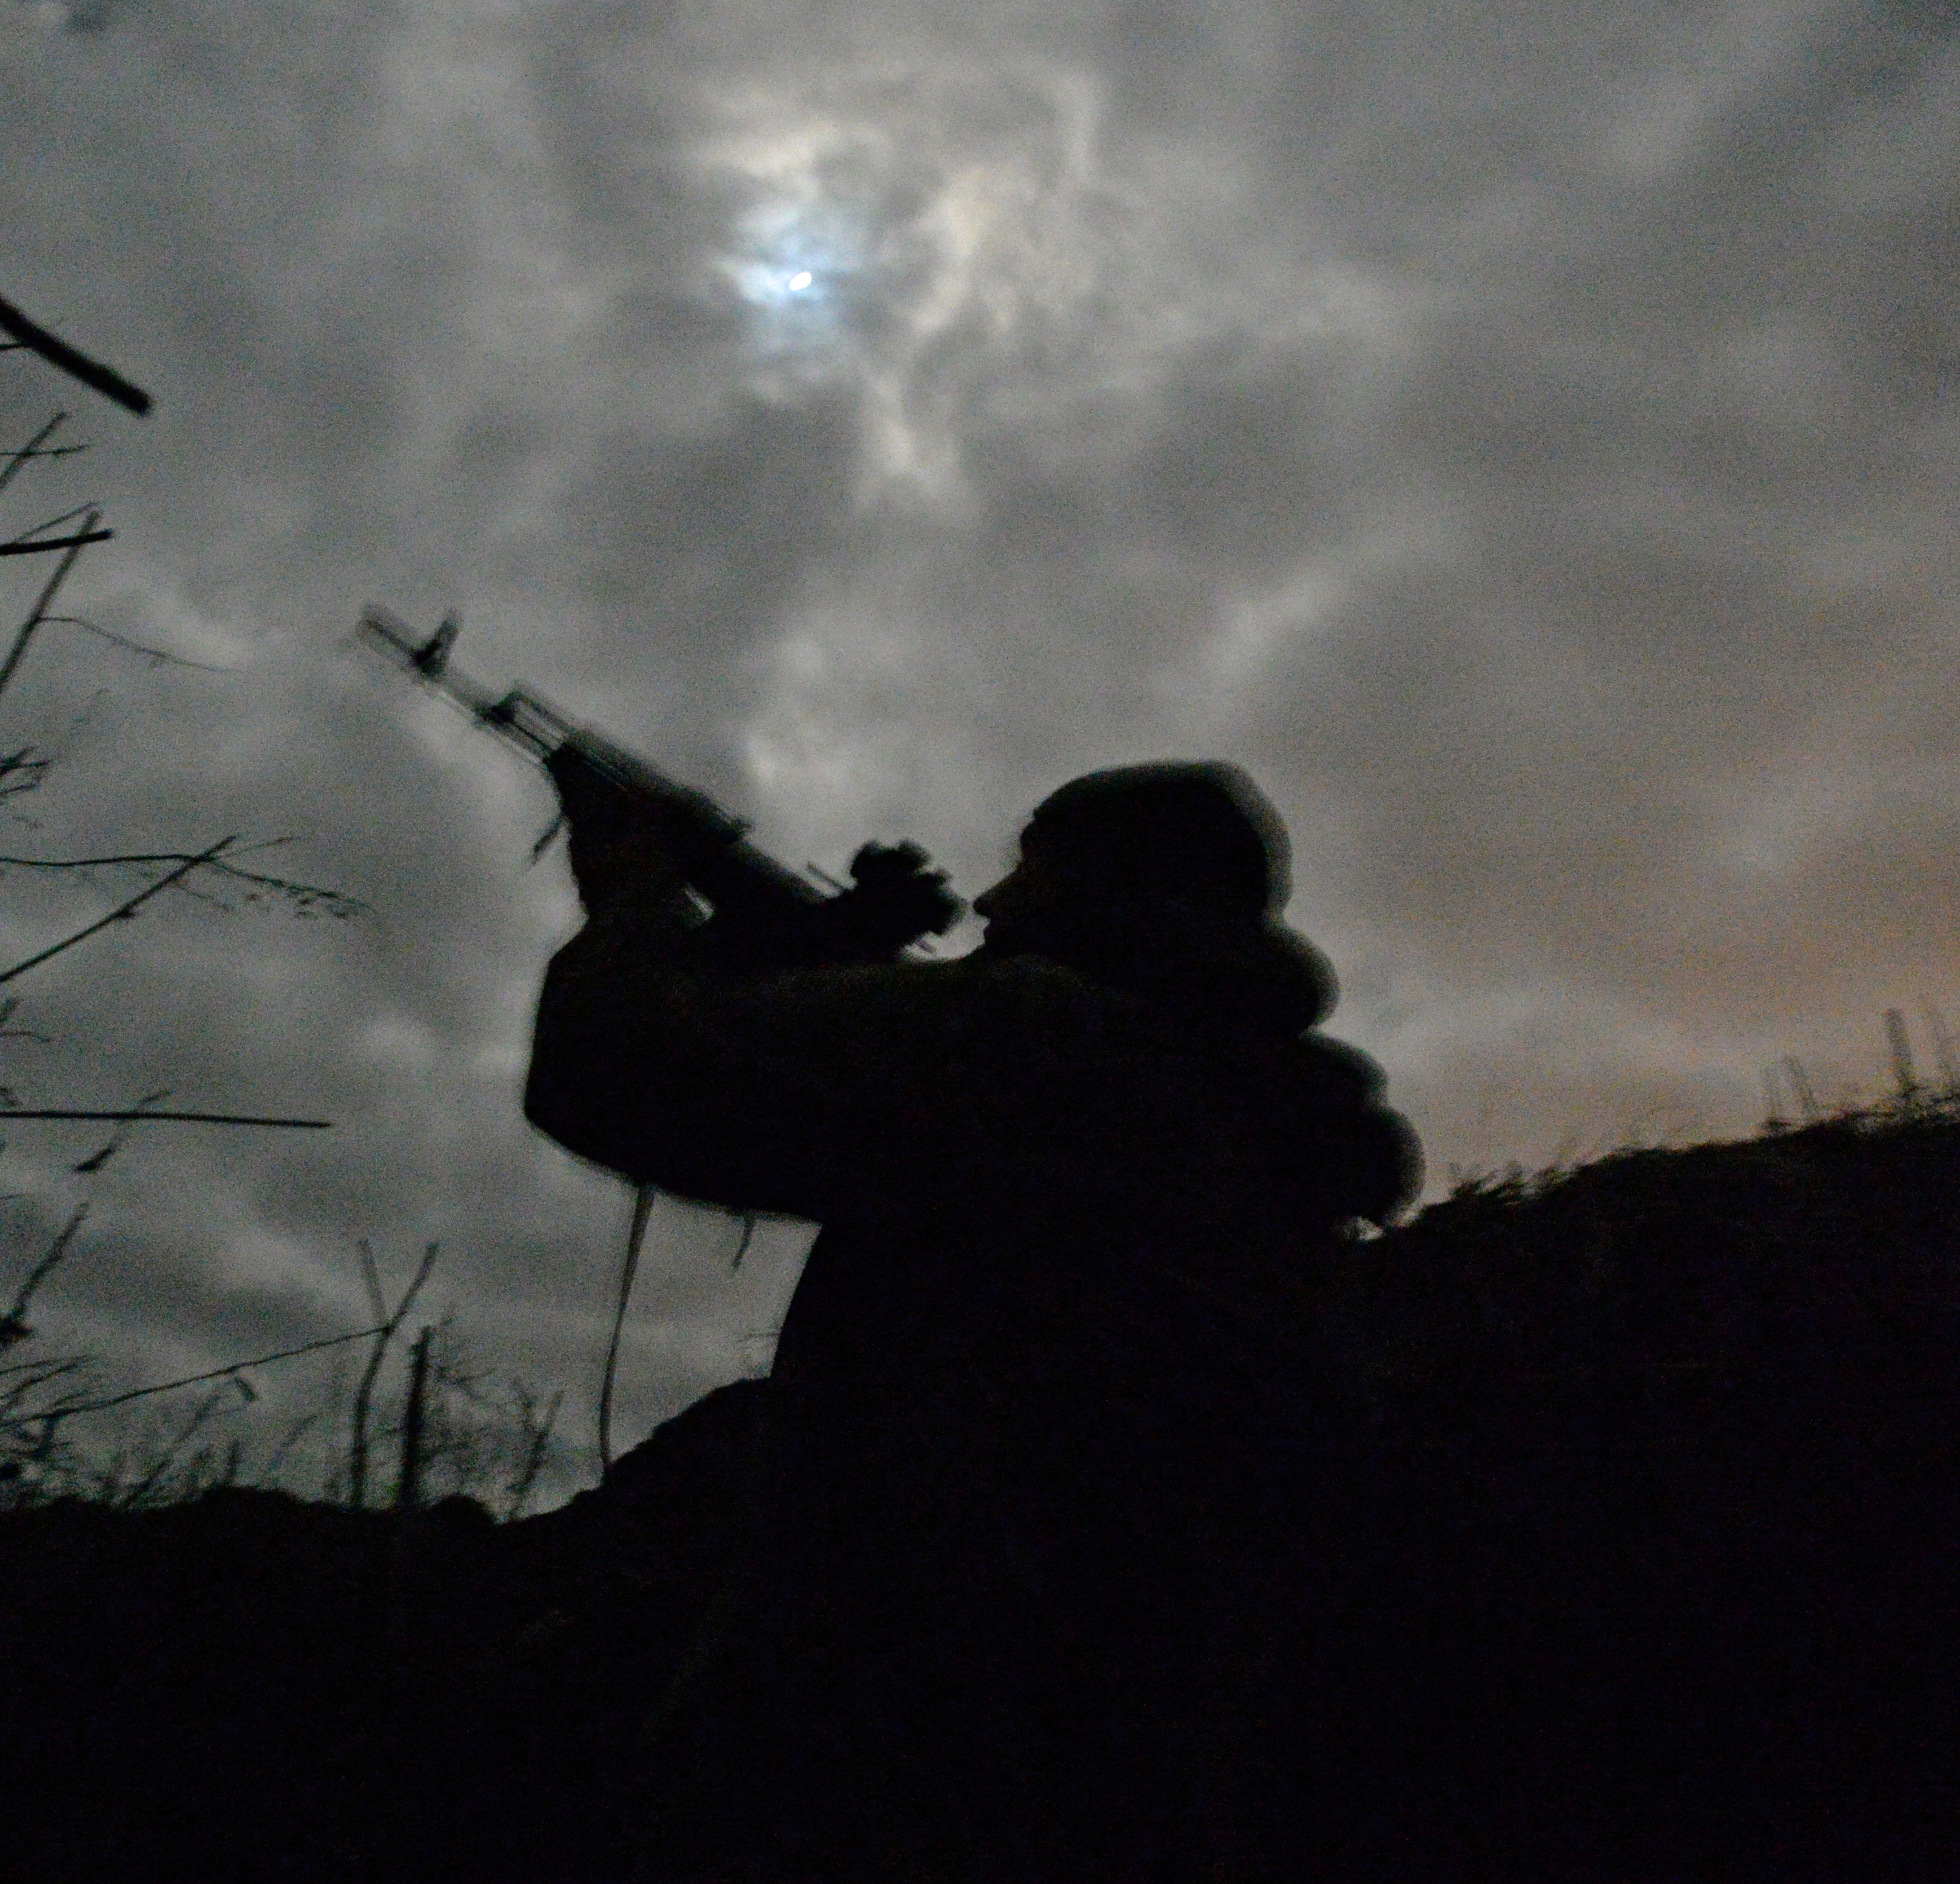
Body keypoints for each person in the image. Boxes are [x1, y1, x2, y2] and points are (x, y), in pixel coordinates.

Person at [524, 757, 1420, 1881]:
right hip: (1148, 1765)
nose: (988, 904)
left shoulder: (1042, 1040)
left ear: (1120, 891)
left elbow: (616, 1064)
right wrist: (830, 936)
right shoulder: (1251, 1116)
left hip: (904, 1763)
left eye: (1028, 868)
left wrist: (634, 885)